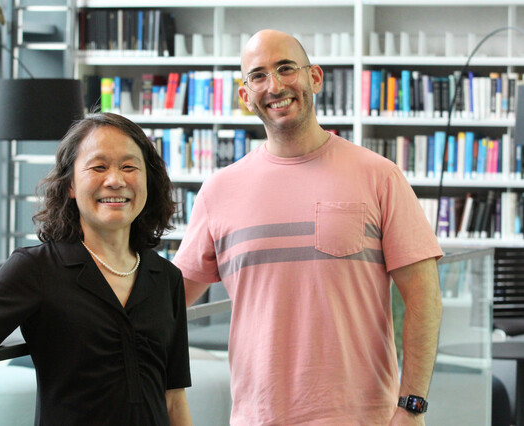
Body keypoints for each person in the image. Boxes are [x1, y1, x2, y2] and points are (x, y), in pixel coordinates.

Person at [172, 29, 443, 425]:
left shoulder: (379, 176)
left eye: (286, 68)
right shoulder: (218, 191)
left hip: (365, 418)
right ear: (245, 96)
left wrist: (412, 405)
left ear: (314, 77)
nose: (275, 85)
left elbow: (424, 299)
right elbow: (169, 301)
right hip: (257, 418)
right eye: (258, 76)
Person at [0, 113, 193, 425]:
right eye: (99, 167)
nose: (115, 180)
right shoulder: (37, 268)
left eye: (129, 167)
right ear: (70, 184)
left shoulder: (166, 277)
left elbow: (174, 399)